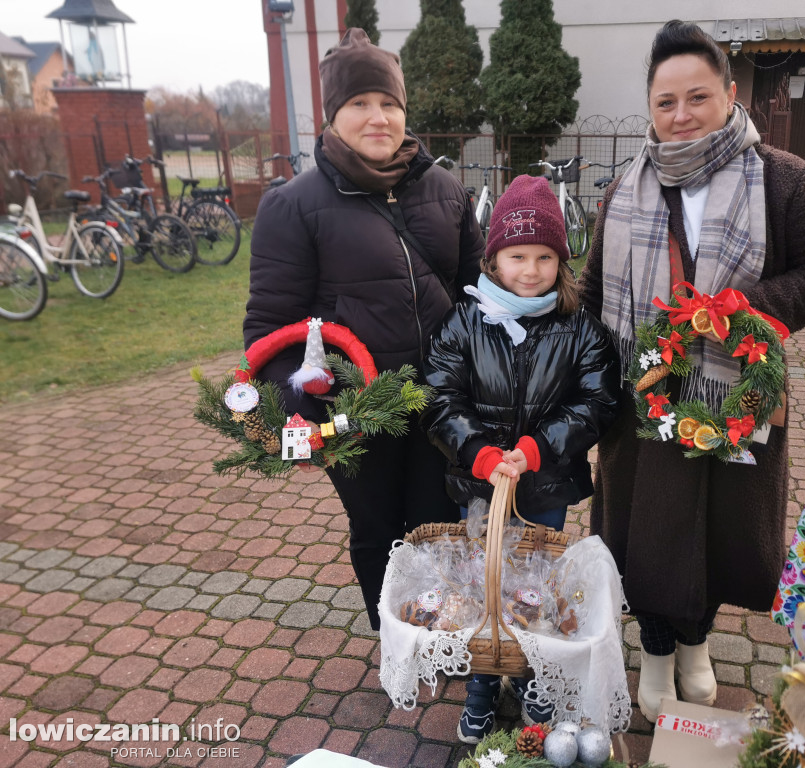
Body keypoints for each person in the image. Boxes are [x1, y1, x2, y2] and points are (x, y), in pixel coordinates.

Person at [579, 21, 805, 721]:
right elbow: (589, 294)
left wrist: (739, 311)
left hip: (731, 396)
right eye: (665, 101)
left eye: (696, 97)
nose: (680, 115)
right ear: (649, 107)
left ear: (730, 94)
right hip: (638, 399)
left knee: (713, 528)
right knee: (646, 531)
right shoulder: (623, 190)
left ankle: (697, 645)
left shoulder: (785, 180)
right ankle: (658, 651)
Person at [243, 28, 484, 632]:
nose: (378, 117)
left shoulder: (444, 188)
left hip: (440, 401)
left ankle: (440, 631)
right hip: (358, 412)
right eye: (359, 104)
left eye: (390, 104)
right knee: (376, 527)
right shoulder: (293, 205)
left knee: (437, 524)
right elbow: (271, 328)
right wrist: (310, 405)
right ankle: (396, 640)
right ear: (332, 116)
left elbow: (478, 292)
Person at [420, 175, 621, 743]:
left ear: (561, 259)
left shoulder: (579, 327)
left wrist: (536, 449)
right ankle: (483, 681)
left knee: (536, 588)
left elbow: (598, 400)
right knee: (482, 586)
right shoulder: (465, 321)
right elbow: (439, 397)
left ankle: (533, 675)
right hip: (480, 488)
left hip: (546, 489)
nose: (530, 270)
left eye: (544, 257)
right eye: (516, 256)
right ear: (493, 258)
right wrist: (479, 454)